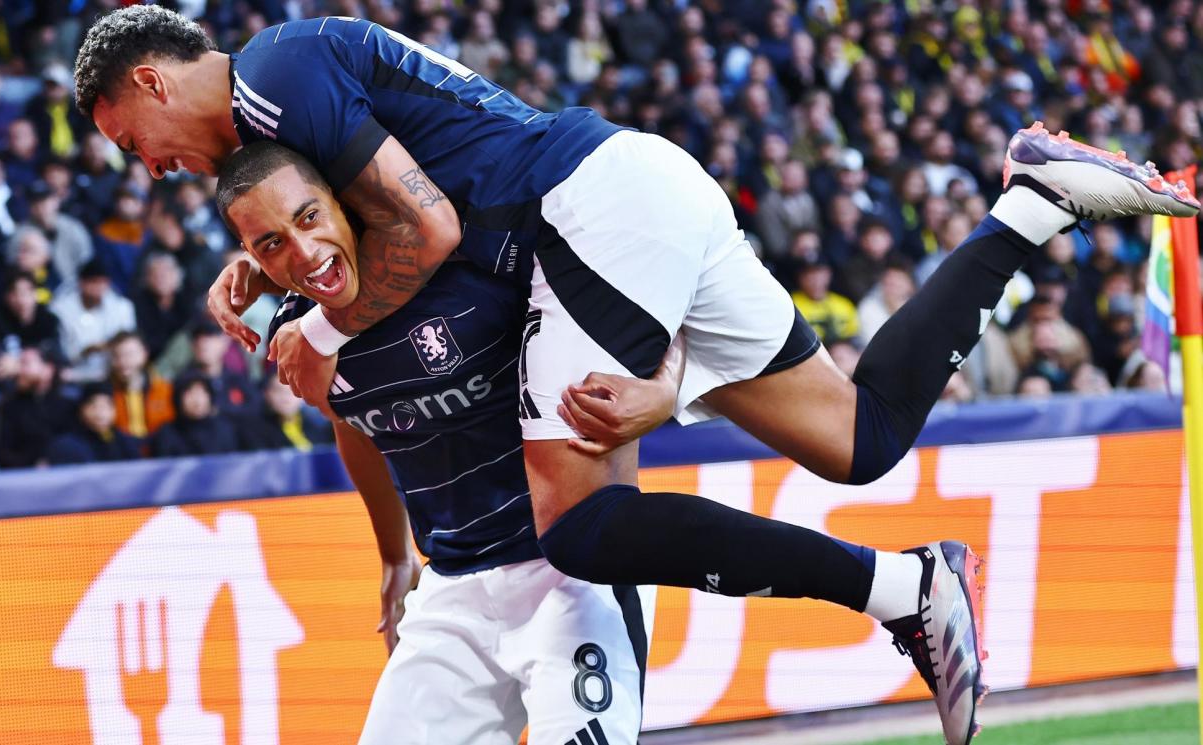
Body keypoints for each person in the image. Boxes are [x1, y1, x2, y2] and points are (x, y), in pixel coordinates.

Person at [77, 9, 1201, 743]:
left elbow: (423, 223)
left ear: (146, 81)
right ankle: (1030, 204)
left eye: (131, 139)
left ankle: (908, 590)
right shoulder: (289, 94)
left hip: (583, 209)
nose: (147, 164)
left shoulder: (272, 81)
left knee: (575, 513)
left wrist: (315, 328)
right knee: (857, 437)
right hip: (632, 193)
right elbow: (364, 228)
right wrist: (278, 268)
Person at [221, 142, 652, 744]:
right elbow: (352, 421)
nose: (304, 252)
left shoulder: (479, 257)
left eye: (309, 216)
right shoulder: (300, 337)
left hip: (571, 570)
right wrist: (395, 554)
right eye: (269, 244)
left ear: (345, 204)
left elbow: (650, 286)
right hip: (451, 586)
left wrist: (666, 389)